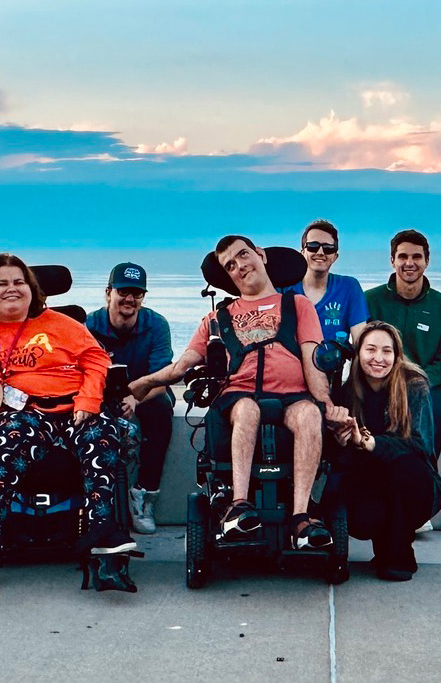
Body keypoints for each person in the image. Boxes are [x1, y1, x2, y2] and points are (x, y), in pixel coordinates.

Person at [129, 235, 341, 552]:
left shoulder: (297, 306)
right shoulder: (217, 319)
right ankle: (238, 506)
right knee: (246, 408)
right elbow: (180, 367)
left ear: (261, 255)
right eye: (230, 265)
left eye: (243, 255)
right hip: (239, 396)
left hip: (292, 397)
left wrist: (327, 405)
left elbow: (313, 364)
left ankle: (301, 518)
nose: (240, 266)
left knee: (310, 412)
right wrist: (139, 386)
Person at [0, 253, 135, 586]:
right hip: (21, 415)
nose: (11, 289)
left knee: (103, 432)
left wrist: (88, 399)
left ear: (32, 289)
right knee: (10, 434)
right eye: (2, 283)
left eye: (19, 282)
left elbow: (97, 360)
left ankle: (102, 530)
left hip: (73, 408)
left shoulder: (63, 325)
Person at [332, 321, 441, 580]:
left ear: (397, 356)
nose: (378, 358)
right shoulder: (348, 392)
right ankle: (385, 547)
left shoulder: (414, 386)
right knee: (359, 490)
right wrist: (341, 440)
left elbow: (421, 445)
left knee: (404, 467)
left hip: (415, 485)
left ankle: (399, 553)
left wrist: (371, 443)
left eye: (387, 351)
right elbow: (341, 458)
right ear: (358, 353)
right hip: (369, 483)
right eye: (371, 350)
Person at [83, 262, 174, 534]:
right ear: (109, 292)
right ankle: (97, 500)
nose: (130, 299)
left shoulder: (156, 324)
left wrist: (135, 398)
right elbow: (80, 374)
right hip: (99, 393)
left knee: (161, 408)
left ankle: (143, 495)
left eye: (137, 293)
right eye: (123, 292)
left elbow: (163, 377)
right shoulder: (89, 324)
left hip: (146, 394)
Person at [361, 229, 441, 457]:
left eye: (416, 257)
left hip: (423, 386)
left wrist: (419, 381)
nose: (409, 263)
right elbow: (361, 349)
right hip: (378, 384)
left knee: (438, 409)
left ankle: (428, 477)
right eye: (403, 257)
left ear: (427, 261)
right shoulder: (370, 300)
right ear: (392, 260)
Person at [287, 219, 368, 348]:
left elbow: (361, 340)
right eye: (313, 246)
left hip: (332, 366)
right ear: (302, 252)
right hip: (292, 366)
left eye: (328, 248)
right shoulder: (285, 288)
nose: (320, 252)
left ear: (335, 256)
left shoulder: (349, 287)